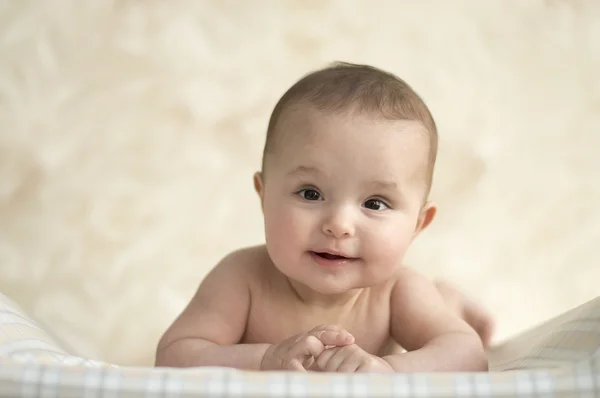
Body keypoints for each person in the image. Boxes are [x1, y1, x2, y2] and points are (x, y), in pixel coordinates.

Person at [155, 62, 494, 373]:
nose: (339, 225)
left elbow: (467, 354)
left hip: (423, 304)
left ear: (418, 224)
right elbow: (175, 354)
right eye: (310, 193)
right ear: (263, 195)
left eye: (375, 203)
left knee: (439, 314)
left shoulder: (397, 290)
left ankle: (450, 302)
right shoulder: (242, 278)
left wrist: (389, 370)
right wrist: (264, 358)